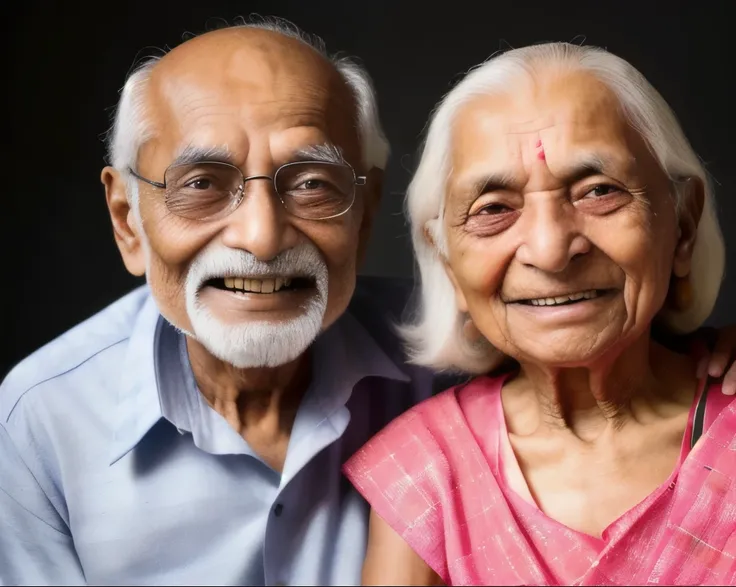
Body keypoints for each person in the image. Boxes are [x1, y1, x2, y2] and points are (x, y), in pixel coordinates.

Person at [0, 21, 734, 587]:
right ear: (129, 220)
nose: (260, 237)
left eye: (312, 182)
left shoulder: (454, 350)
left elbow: (582, 331)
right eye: (202, 184)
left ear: (364, 207)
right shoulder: (41, 421)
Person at [344, 42, 736, 586]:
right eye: (493, 209)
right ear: (446, 261)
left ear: (683, 226)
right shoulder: (426, 471)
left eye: (599, 192)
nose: (551, 250)